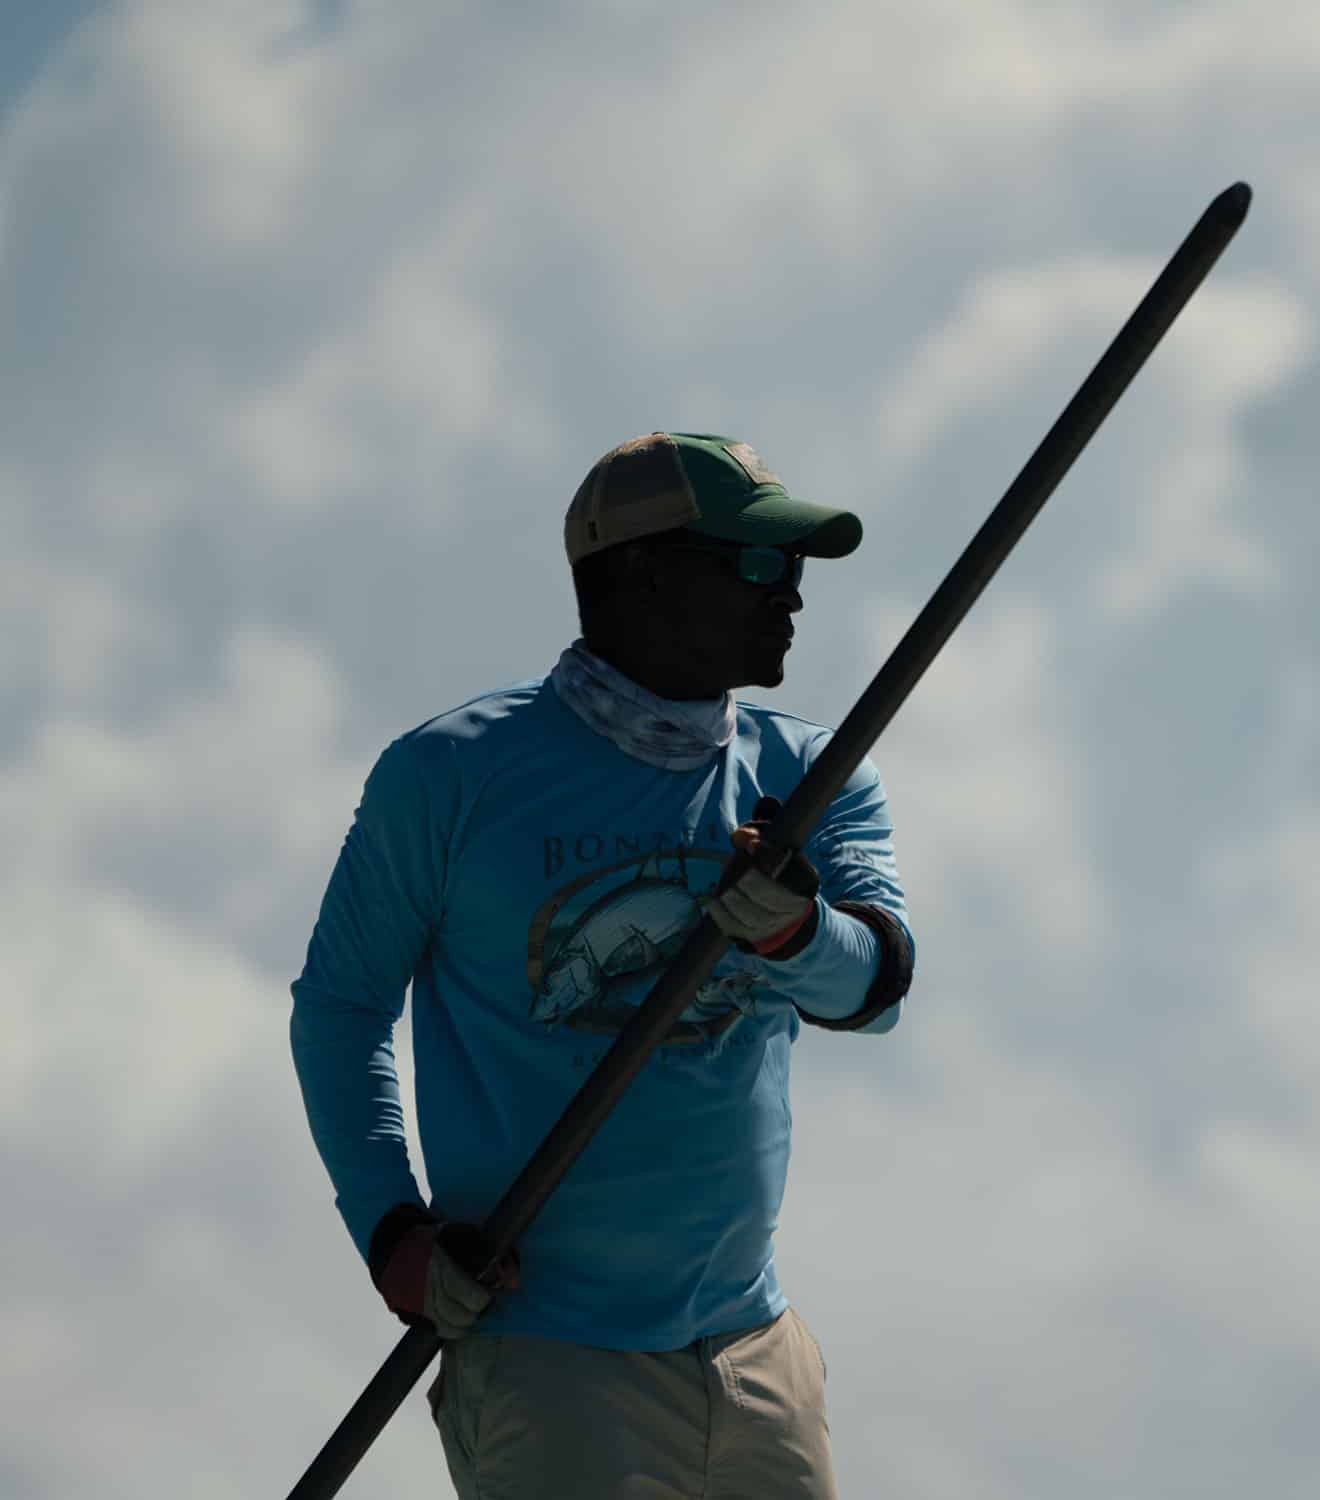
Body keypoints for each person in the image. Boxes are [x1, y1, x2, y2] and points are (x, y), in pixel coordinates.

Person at [290, 432, 915, 1500]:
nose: (792, 599)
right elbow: (343, 1009)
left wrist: (791, 933)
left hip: (754, 1349)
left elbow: (873, 990)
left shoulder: (809, 771)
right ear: (640, 573)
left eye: (798, 570)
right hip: (544, 1360)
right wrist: (391, 1227)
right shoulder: (447, 775)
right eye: (759, 563)